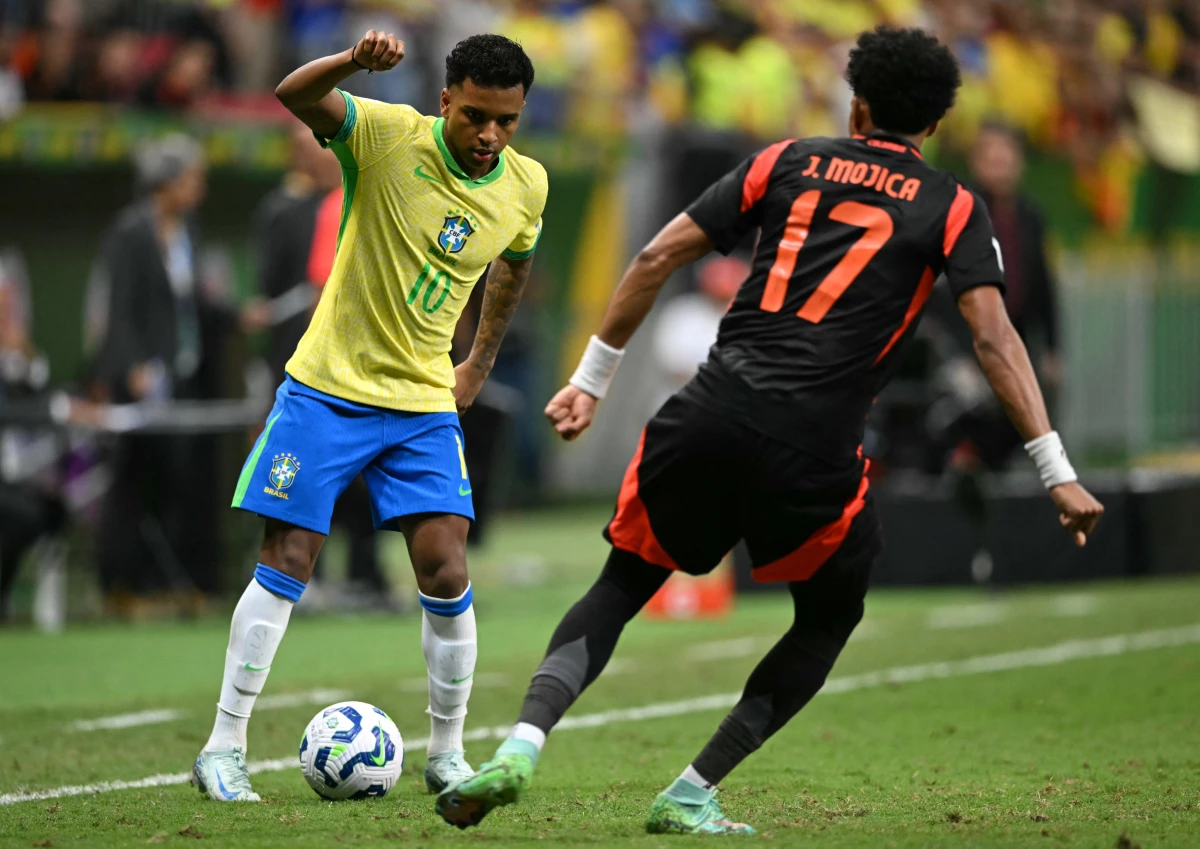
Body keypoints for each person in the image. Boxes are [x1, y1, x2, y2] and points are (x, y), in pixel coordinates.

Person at [437, 26, 1104, 835]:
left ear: (856, 104)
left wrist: (589, 383)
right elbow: (997, 339)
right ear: (934, 125)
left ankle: (520, 746)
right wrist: (1056, 468)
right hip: (813, 444)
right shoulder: (952, 205)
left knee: (622, 583)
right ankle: (690, 788)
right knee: (828, 613)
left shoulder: (783, 160)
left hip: (707, 413)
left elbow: (654, 256)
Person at [191, 31, 547, 802]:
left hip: (422, 403)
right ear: (446, 98)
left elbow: (513, 267)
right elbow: (292, 94)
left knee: (448, 567)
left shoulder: (528, 185)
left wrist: (479, 361)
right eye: (477, 115)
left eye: (507, 122)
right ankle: (223, 745)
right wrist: (354, 62)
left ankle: (447, 753)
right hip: (328, 388)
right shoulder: (384, 135)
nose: (490, 136)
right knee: (288, 557)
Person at [91, 134, 228, 608]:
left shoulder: (188, 232)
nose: (199, 190)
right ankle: (119, 583)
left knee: (177, 481)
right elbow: (120, 307)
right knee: (132, 481)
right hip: (141, 381)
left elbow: (192, 302)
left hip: (182, 376)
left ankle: (162, 583)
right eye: (193, 180)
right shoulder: (130, 231)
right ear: (167, 182)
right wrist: (130, 368)